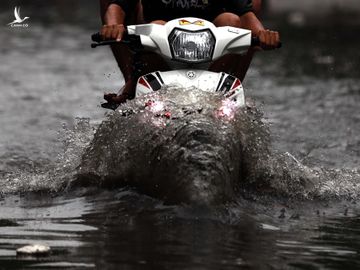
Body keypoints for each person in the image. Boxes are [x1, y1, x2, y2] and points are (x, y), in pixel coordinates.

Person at [99, 0, 280, 105]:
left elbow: (246, 14)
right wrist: (113, 26)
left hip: (212, 46)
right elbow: (117, 6)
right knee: (156, 26)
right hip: (160, 43)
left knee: (230, 20)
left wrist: (263, 35)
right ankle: (133, 84)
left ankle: (222, 96)